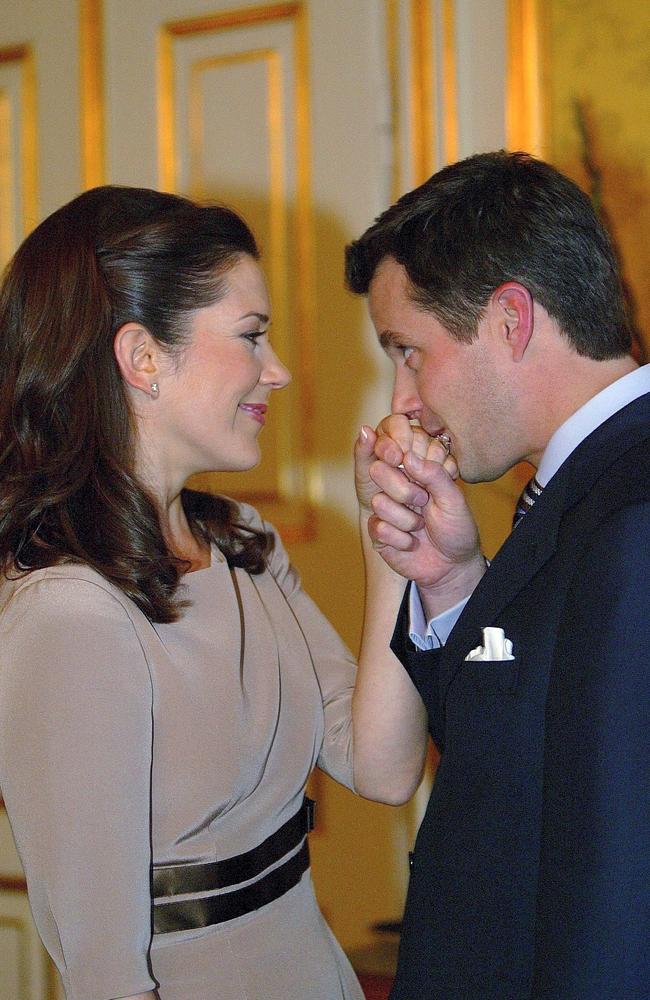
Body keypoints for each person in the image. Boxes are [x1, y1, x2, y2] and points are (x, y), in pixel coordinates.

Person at [0, 185, 433, 1000]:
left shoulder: (243, 543)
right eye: (250, 336)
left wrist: (391, 543)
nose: (279, 369)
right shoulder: (69, 615)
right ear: (143, 357)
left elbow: (379, 765)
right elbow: (103, 971)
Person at [346, 151, 650, 999]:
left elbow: (622, 885)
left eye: (410, 350)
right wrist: (451, 583)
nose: (403, 398)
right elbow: (516, 757)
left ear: (511, 319)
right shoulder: (589, 486)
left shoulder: (633, 516)